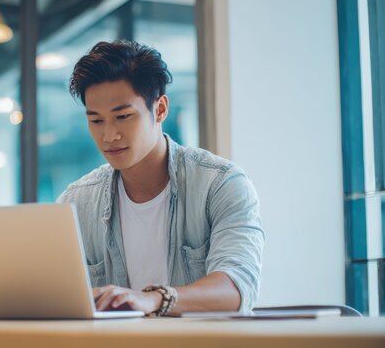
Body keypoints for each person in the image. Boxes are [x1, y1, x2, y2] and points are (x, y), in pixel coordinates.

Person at [57, 40, 264, 317]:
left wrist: (156, 299)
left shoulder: (221, 184)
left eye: (123, 116)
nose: (109, 136)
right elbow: (55, 295)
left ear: (160, 109)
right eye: (96, 121)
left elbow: (237, 287)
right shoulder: (76, 202)